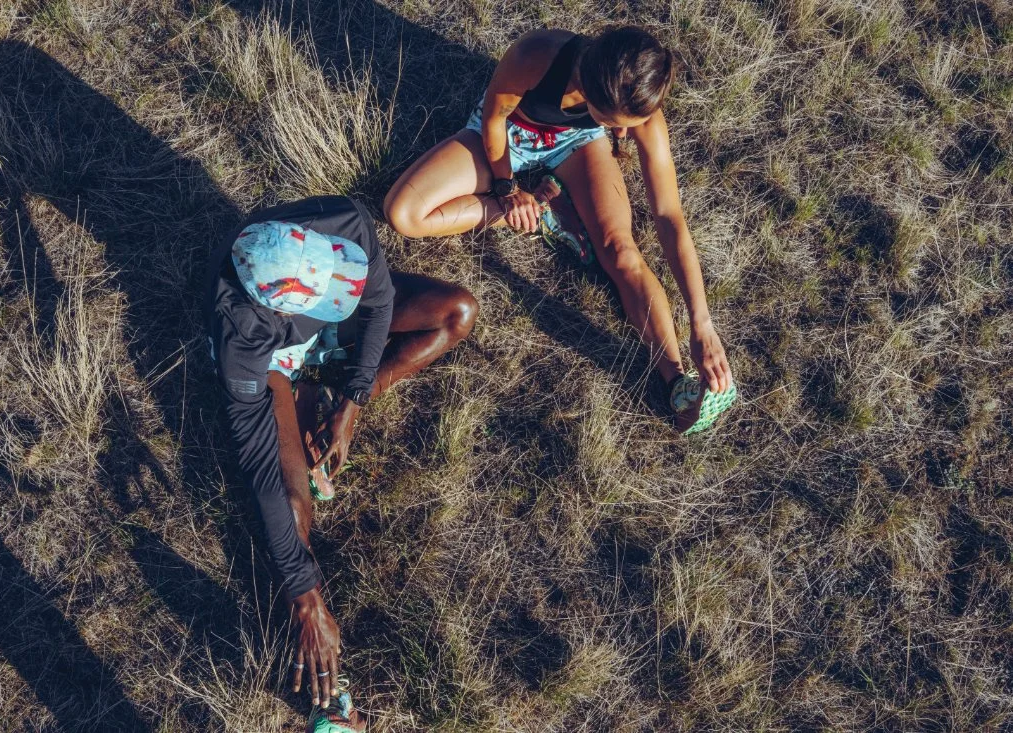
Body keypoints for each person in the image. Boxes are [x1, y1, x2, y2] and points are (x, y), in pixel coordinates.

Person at [204, 196, 477, 731]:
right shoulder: (240, 338)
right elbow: (263, 477)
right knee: (290, 499)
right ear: (280, 307)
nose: (338, 291)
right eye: (321, 298)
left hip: (323, 336)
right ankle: (322, 680)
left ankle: (323, 397)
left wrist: (353, 401)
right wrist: (306, 596)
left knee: (456, 312)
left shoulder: (343, 224)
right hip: (274, 364)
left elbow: (373, 305)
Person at [384, 26, 737, 433]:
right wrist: (507, 190)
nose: (622, 135)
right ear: (588, 86)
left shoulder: (639, 107)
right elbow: (494, 120)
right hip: (509, 135)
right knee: (404, 212)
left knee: (621, 252)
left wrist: (702, 323)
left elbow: (669, 216)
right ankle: (542, 204)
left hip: (577, 144)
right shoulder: (536, 55)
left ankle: (675, 382)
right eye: (612, 122)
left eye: (629, 125)